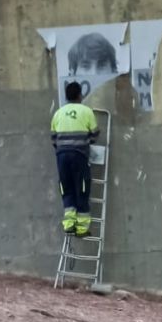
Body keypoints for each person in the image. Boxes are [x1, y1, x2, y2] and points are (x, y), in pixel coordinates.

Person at [51, 81, 99, 236]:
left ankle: (69, 224)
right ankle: (82, 228)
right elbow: (95, 134)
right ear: (80, 95)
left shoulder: (58, 113)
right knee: (82, 189)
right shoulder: (86, 111)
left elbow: (53, 139)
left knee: (67, 188)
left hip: (61, 156)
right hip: (79, 155)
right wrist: (85, 143)